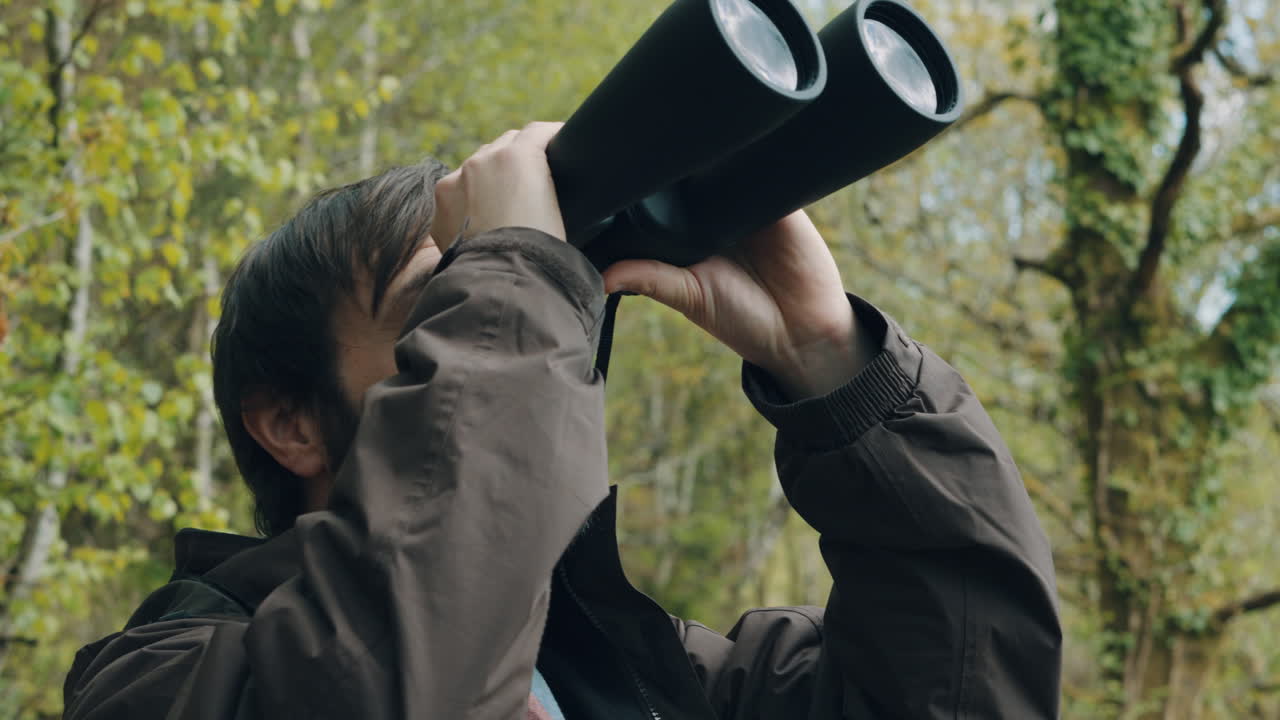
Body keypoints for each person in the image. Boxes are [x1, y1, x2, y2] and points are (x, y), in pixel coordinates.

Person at [62, 123, 1062, 719]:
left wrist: (832, 366)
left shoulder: (638, 672)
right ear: (289, 423)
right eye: (444, 298)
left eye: (500, 293)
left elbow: (963, 688)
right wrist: (515, 267)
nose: (506, 316)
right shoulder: (164, 683)